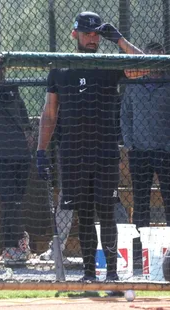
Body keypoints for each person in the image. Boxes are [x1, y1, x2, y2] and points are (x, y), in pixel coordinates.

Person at [36, 12, 146, 282]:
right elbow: (49, 113)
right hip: (72, 152)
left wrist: (118, 39)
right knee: (83, 214)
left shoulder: (109, 65)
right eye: (87, 33)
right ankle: (88, 274)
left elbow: (143, 66)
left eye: (97, 34)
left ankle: (111, 273)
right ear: (75, 34)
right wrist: (41, 151)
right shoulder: (60, 68)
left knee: (106, 211)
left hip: (104, 151)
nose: (92, 38)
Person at [121, 41, 170, 258]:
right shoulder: (133, 85)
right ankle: (141, 252)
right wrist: (129, 143)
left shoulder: (168, 85)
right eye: (150, 58)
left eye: (158, 58)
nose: (154, 63)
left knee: (169, 200)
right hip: (139, 152)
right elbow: (125, 115)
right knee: (141, 203)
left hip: (165, 152)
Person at [0, 56, 32, 262]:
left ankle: (19, 241)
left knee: (17, 201)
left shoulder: (12, 89)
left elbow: (24, 120)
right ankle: (10, 246)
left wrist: (28, 135)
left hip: (20, 154)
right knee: (9, 202)